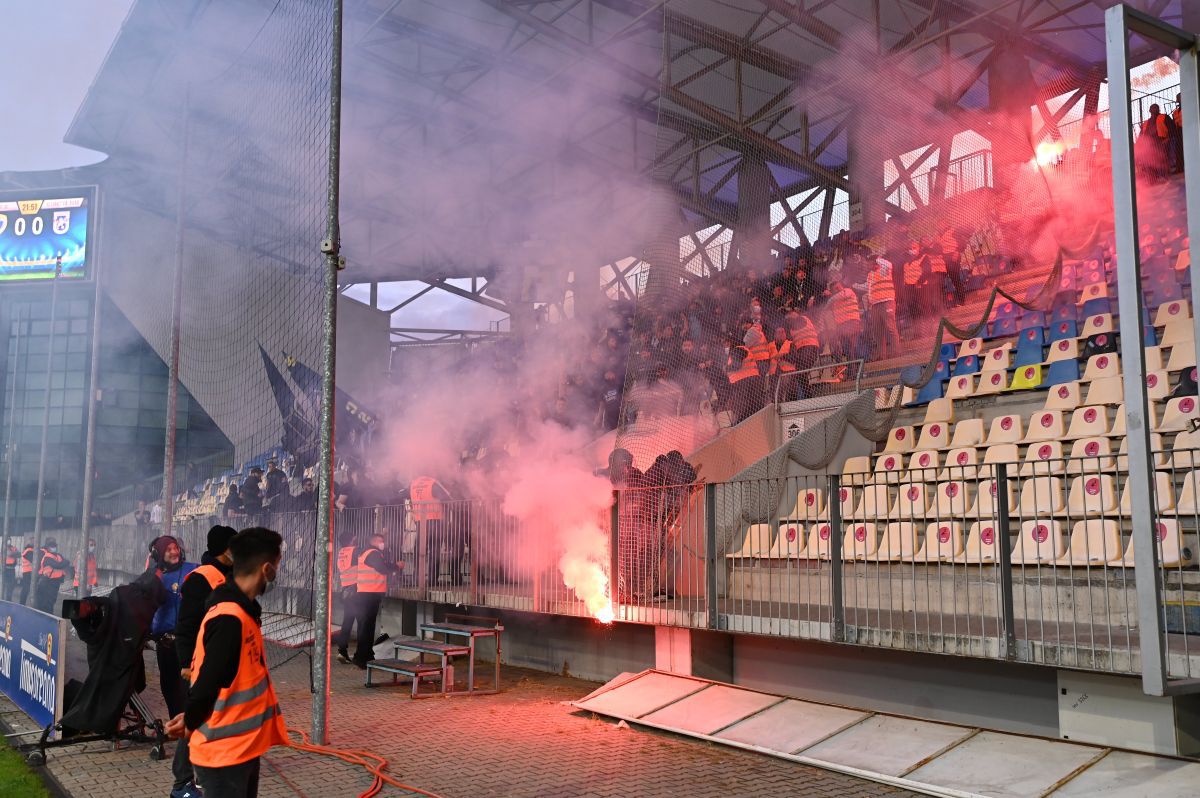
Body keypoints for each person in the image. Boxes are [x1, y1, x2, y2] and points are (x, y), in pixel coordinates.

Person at [165, 528, 287, 798]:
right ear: (266, 568)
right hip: (223, 751)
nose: (277, 573)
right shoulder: (230, 618)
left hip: (240, 747)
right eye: (278, 566)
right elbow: (209, 681)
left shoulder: (242, 609)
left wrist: (191, 717)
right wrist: (191, 719)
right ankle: (181, 784)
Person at [170, 525, 237, 798]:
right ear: (226, 549)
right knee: (197, 716)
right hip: (205, 662)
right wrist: (186, 662)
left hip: (228, 662)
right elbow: (185, 625)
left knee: (223, 716)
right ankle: (182, 782)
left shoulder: (231, 576)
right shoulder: (201, 579)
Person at [150, 536, 197, 730]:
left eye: (175, 548)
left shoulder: (194, 570)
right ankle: (177, 723)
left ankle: (191, 724)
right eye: (168, 549)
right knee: (169, 686)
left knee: (187, 686)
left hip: (187, 640)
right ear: (158, 554)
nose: (174, 552)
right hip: (165, 642)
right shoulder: (154, 575)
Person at [349, 532, 402, 668]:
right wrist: (397, 567)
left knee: (364, 626)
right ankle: (363, 658)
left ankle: (363, 655)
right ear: (373, 541)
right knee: (367, 627)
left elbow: (381, 565)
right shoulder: (373, 553)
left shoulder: (366, 552)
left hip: (364, 594)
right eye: (380, 540)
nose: (383, 543)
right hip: (369, 595)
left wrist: (393, 564)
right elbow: (382, 568)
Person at [862, 257, 900, 360]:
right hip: (875, 305)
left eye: (870, 263)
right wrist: (853, 285)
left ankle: (896, 352)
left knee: (890, 327)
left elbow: (889, 264)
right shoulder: (870, 275)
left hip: (887, 302)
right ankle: (882, 355)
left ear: (876, 263)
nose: (868, 266)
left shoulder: (883, 270)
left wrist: (877, 258)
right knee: (877, 331)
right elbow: (868, 287)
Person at [333, 531, 360, 664]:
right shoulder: (355, 551)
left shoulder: (342, 552)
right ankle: (360, 653)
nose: (356, 539)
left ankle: (342, 651)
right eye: (354, 537)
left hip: (346, 591)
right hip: (356, 590)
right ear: (351, 540)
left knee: (347, 622)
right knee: (362, 622)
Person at [34, 537, 70, 614]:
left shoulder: (58, 555)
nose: (54, 548)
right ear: (48, 547)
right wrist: (63, 563)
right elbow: (58, 565)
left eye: (55, 546)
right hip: (47, 581)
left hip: (55, 582)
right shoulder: (47, 556)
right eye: (52, 546)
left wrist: (64, 563)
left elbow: (65, 562)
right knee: (46, 601)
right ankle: (47, 615)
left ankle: (48, 614)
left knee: (52, 600)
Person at [17, 538, 34, 605]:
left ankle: (22, 603)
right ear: (30, 542)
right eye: (33, 541)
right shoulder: (29, 551)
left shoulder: (29, 550)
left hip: (28, 572)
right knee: (26, 589)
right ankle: (22, 604)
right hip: (28, 572)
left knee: (26, 589)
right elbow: (33, 560)